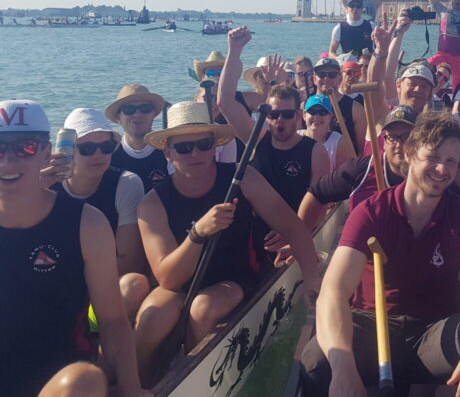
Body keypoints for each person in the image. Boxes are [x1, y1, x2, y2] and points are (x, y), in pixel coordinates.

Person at [299, 111, 460, 396]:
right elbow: (333, 291)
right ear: (411, 153)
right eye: (433, 157)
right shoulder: (371, 212)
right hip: (375, 327)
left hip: (435, 331)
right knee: (316, 360)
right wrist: (343, 369)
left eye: (451, 161)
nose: (442, 170)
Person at [0, 99, 145, 397]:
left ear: (46, 153)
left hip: (63, 383)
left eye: (25, 147)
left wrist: (131, 389)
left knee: (84, 380)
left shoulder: (88, 225)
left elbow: (113, 321)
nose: (8, 162)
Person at [132, 102, 320, 378]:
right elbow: (168, 278)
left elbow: (294, 228)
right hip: (179, 280)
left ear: (214, 146)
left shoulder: (243, 178)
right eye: (184, 148)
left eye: (203, 144)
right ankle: (140, 383)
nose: (195, 153)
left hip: (235, 277)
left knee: (203, 309)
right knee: (152, 316)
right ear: (168, 154)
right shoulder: (152, 203)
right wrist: (198, 234)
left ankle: (190, 379)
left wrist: (313, 278)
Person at [218, 27, 331, 213]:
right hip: (256, 229)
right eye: (273, 114)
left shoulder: (316, 151)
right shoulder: (257, 141)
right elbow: (225, 103)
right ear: (266, 116)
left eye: (287, 115)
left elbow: (319, 203)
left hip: (296, 229)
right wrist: (234, 51)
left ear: (298, 115)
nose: (280, 120)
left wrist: (292, 228)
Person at [54, 108, 150, 318]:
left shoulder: (126, 183)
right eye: (87, 149)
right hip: (55, 283)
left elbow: (129, 260)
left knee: (134, 283)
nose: (98, 155)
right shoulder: (46, 186)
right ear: (68, 150)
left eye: (106, 147)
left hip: (104, 287)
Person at [299, 105, 417, 229]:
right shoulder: (361, 170)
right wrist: (300, 238)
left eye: (407, 137)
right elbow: (316, 193)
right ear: (384, 141)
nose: (399, 145)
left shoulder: (429, 175)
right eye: (392, 137)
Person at [106, 85, 169, 192]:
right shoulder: (108, 156)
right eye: (129, 109)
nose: (138, 114)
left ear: (154, 114)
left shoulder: (170, 152)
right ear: (118, 118)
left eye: (145, 108)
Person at [313, 56, 366, 150]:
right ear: (314, 79)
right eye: (321, 74)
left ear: (340, 79)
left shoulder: (355, 108)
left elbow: (361, 149)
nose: (326, 78)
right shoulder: (305, 107)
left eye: (332, 74)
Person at [299, 93, 346, 169]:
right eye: (312, 111)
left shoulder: (338, 141)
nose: (317, 116)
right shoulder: (295, 137)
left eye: (322, 112)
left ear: (330, 117)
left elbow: (341, 176)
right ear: (304, 115)